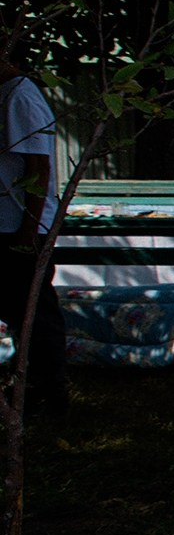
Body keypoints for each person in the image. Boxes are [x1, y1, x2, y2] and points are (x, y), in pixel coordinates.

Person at [0, 55, 67, 418]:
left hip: (21, 225)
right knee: (16, 308)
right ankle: (25, 386)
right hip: (8, 222)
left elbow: (38, 167)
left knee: (33, 312)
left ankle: (47, 394)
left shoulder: (20, 96)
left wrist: (29, 229)